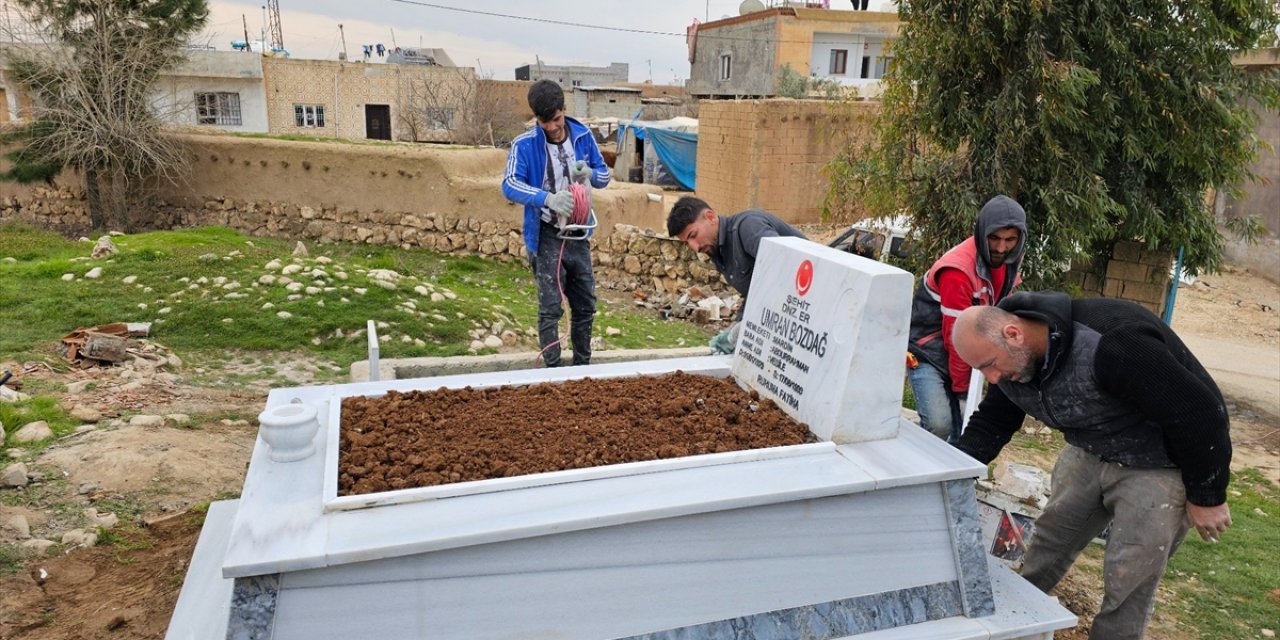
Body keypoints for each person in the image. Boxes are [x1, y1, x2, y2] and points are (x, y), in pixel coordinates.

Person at [952, 292, 1232, 640]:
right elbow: (993, 421)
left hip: (1158, 463)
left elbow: (1200, 412)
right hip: (1090, 448)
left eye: (989, 364)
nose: (992, 378)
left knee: (1130, 574)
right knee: (1050, 542)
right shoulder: (1014, 364)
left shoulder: (1113, 343)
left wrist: (1208, 494)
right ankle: (1014, 627)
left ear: (1013, 334)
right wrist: (954, 475)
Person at [501, 80, 610, 367]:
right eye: (545, 122)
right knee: (550, 307)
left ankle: (581, 368)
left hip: (578, 233)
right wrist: (547, 199)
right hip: (547, 233)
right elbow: (510, 184)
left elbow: (604, 175)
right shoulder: (524, 145)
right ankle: (551, 371)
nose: (552, 127)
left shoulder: (583, 136)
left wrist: (590, 174)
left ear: (564, 109)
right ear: (537, 118)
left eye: (557, 119)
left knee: (585, 304)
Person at [906, 194, 1027, 442]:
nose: (1001, 247)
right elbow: (956, 338)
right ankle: (903, 465)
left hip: (966, 352)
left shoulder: (1009, 261)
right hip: (927, 352)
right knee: (940, 426)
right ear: (982, 233)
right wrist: (963, 394)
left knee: (961, 432)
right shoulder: (957, 272)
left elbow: (1004, 312)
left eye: (1010, 240)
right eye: (994, 238)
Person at [666, 196, 806, 353]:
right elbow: (755, 288)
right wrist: (736, 325)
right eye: (687, 242)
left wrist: (746, 327)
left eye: (693, 235)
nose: (694, 247)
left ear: (710, 217)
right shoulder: (718, 252)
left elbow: (786, 268)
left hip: (811, 308)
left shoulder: (748, 227)